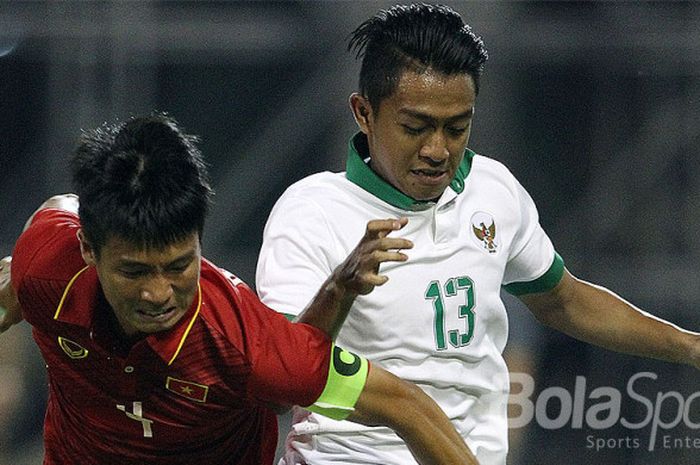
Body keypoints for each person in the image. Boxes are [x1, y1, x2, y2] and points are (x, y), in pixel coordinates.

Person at [255, 3, 700, 465]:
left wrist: (690, 346)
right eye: (415, 127)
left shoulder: (494, 190)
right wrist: (338, 289)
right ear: (363, 113)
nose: (436, 150)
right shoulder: (311, 211)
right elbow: (279, 383)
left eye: (457, 127)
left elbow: (563, 299)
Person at [0, 114, 480, 465]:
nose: (159, 294)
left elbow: (407, 406)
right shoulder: (44, 268)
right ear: (88, 249)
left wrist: (337, 290)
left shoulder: (243, 340)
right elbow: (53, 217)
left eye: (178, 265)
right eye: (134, 272)